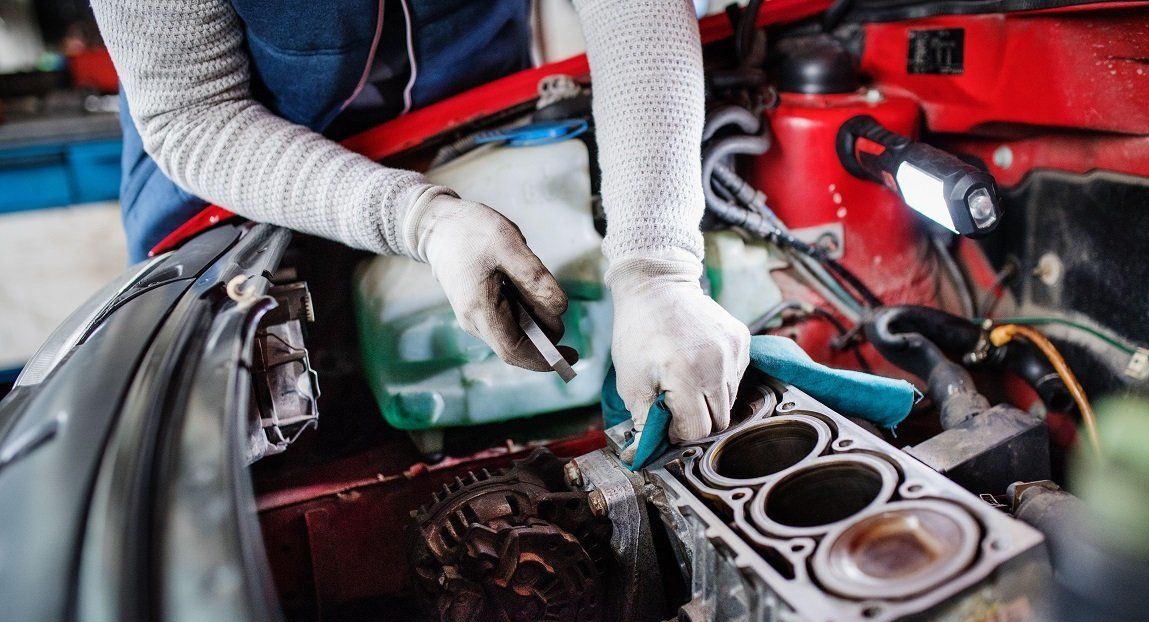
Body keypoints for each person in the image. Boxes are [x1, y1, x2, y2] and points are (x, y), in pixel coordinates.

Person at [91, 0, 750, 445]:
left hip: (474, 125)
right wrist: (418, 218)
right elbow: (194, 112)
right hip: (243, 181)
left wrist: (656, 268)